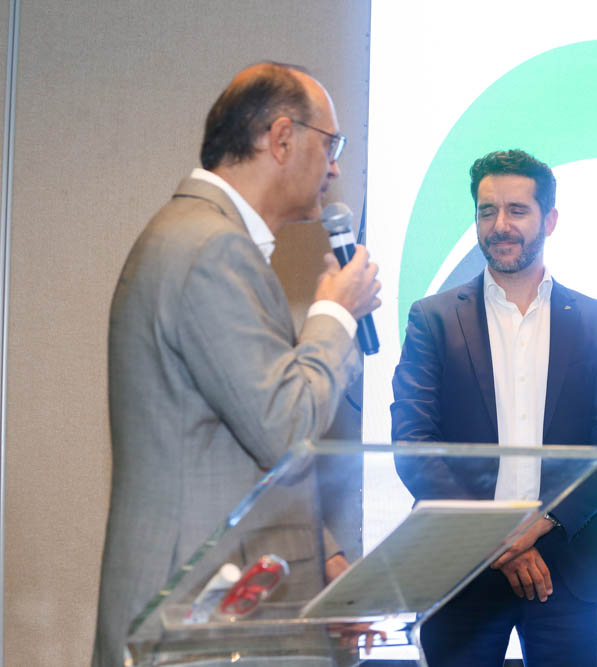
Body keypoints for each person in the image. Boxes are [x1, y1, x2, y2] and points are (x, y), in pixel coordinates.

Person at [92, 62, 381, 665]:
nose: (335, 168)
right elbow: (284, 428)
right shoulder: (212, 249)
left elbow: (239, 440)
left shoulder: (203, 237)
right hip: (199, 624)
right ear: (282, 139)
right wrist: (335, 314)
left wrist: (322, 555)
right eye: (331, 145)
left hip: (218, 605)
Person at [390, 149, 597, 667]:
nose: (500, 225)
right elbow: (413, 446)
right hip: (457, 565)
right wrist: (500, 541)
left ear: (550, 220)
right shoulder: (432, 319)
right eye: (487, 211)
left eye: (517, 210)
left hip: (568, 564)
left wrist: (540, 524)